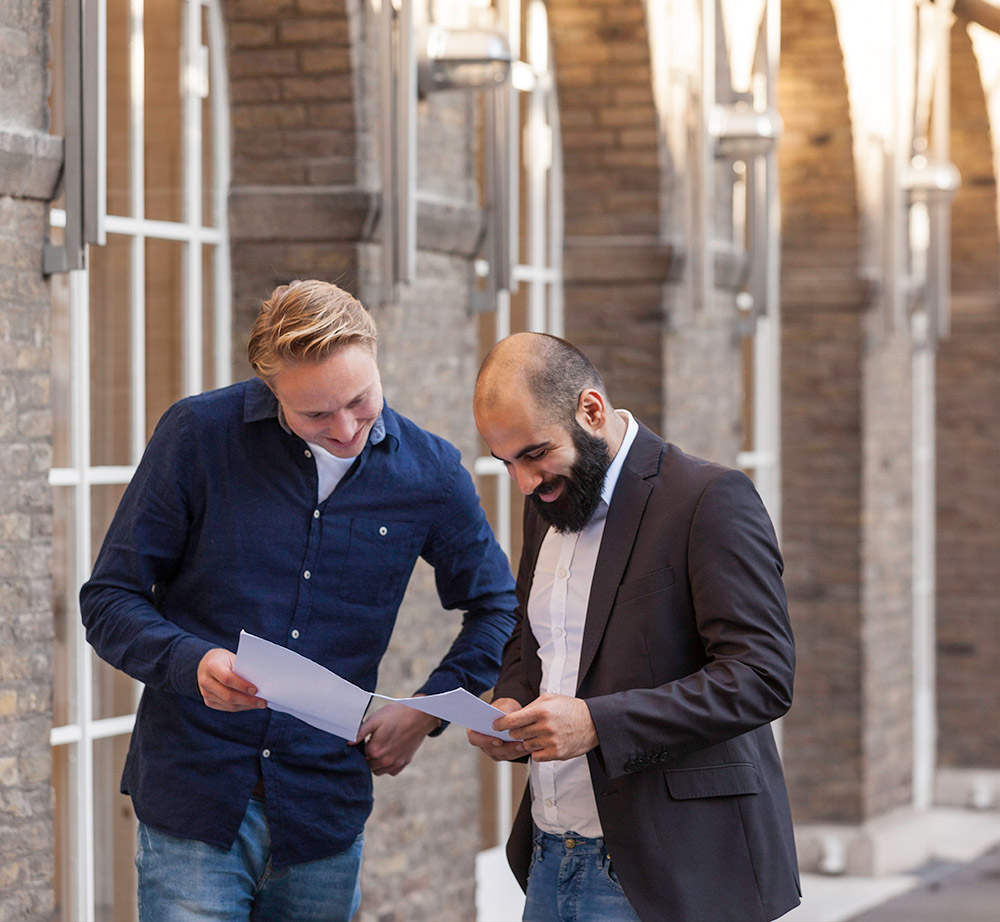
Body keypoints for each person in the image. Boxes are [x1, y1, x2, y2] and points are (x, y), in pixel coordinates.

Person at [80, 280, 517, 922]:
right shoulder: (199, 437)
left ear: (375, 358)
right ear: (270, 388)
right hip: (194, 797)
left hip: (323, 812)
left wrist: (424, 712)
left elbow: (498, 607)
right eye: (315, 414)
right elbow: (109, 599)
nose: (344, 429)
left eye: (360, 401)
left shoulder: (432, 473)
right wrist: (191, 662)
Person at [467, 332, 800, 922]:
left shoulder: (709, 498)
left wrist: (597, 723)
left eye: (535, 453)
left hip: (669, 871)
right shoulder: (547, 499)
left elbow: (761, 676)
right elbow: (532, 633)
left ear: (590, 410)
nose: (523, 481)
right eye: (507, 462)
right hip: (549, 855)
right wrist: (512, 700)